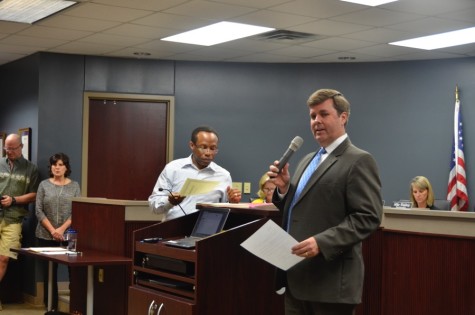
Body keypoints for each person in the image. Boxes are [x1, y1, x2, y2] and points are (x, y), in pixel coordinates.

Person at [268, 89, 382, 315]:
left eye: (323, 114)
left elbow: (368, 218)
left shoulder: (359, 160)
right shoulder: (307, 160)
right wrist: (283, 190)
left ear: (343, 117)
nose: (316, 121)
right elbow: (301, 209)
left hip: (330, 284)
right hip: (296, 278)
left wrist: (321, 242)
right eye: (312, 116)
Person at [149, 126, 241, 221]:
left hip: (208, 231)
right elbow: (153, 207)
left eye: (213, 148)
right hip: (174, 230)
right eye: (203, 147)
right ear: (192, 145)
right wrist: (170, 202)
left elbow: (225, 212)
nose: (208, 153)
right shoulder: (172, 169)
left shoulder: (224, 175)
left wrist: (232, 202)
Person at [35, 152, 81, 310]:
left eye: (61, 165)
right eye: (54, 164)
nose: (57, 167)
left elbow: (77, 210)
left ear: (66, 167)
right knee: (49, 273)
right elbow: (38, 210)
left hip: (68, 235)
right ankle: (51, 307)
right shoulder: (43, 185)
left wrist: (61, 229)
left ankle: (75, 306)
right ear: (51, 167)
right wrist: (53, 230)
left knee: (73, 272)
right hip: (45, 235)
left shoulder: (74, 186)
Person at [0, 134, 39, 310]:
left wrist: (14, 200)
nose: (9, 152)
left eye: (13, 148)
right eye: (7, 148)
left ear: (21, 146)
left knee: (3, 259)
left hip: (14, 219)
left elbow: (34, 195)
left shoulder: (31, 169)